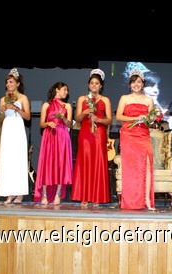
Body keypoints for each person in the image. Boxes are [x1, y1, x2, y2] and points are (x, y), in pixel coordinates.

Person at [71, 69, 113, 208]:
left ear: (101, 86)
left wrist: (98, 119)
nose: (94, 85)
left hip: (99, 133)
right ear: (89, 85)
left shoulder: (105, 100)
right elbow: (77, 118)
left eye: (97, 83)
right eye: (92, 83)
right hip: (85, 133)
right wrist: (84, 112)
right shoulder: (82, 99)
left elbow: (109, 120)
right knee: (85, 162)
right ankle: (84, 196)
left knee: (98, 162)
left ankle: (97, 196)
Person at [116, 68, 156, 210]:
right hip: (128, 135)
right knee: (131, 168)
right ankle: (131, 201)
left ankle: (146, 200)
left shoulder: (149, 100)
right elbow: (119, 117)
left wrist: (150, 119)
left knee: (146, 165)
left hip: (143, 135)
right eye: (133, 82)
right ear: (130, 84)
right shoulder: (125, 98)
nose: (136, 85)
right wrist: (135, 118)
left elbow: (150, 121)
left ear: (143, 84)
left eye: (138, 82)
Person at [34, 82, 73, 205]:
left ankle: (58, 194)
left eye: (67, 90)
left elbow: (70, 124)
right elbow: (41, 123)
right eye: (64, 89)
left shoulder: (67, 106)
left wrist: (64, 118)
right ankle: (44, 194)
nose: (66, 92)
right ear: (57, 90)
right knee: (47, 163)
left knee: (61, 164)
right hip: (49, 136)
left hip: (62, 135)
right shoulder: (47, 105)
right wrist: (48, 123)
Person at [0, 68, 31, 204]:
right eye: (7, 82)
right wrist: (3, 111)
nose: (8, 84)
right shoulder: (2, 99)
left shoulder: (23, 98)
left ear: (17, 83)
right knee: (7, 160)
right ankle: (9, 193)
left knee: (18, 159)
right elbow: (0, 119)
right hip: (7, 128)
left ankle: (20, 193)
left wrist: (16, 108)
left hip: (17, 127)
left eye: (11, 82)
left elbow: (28, 117)